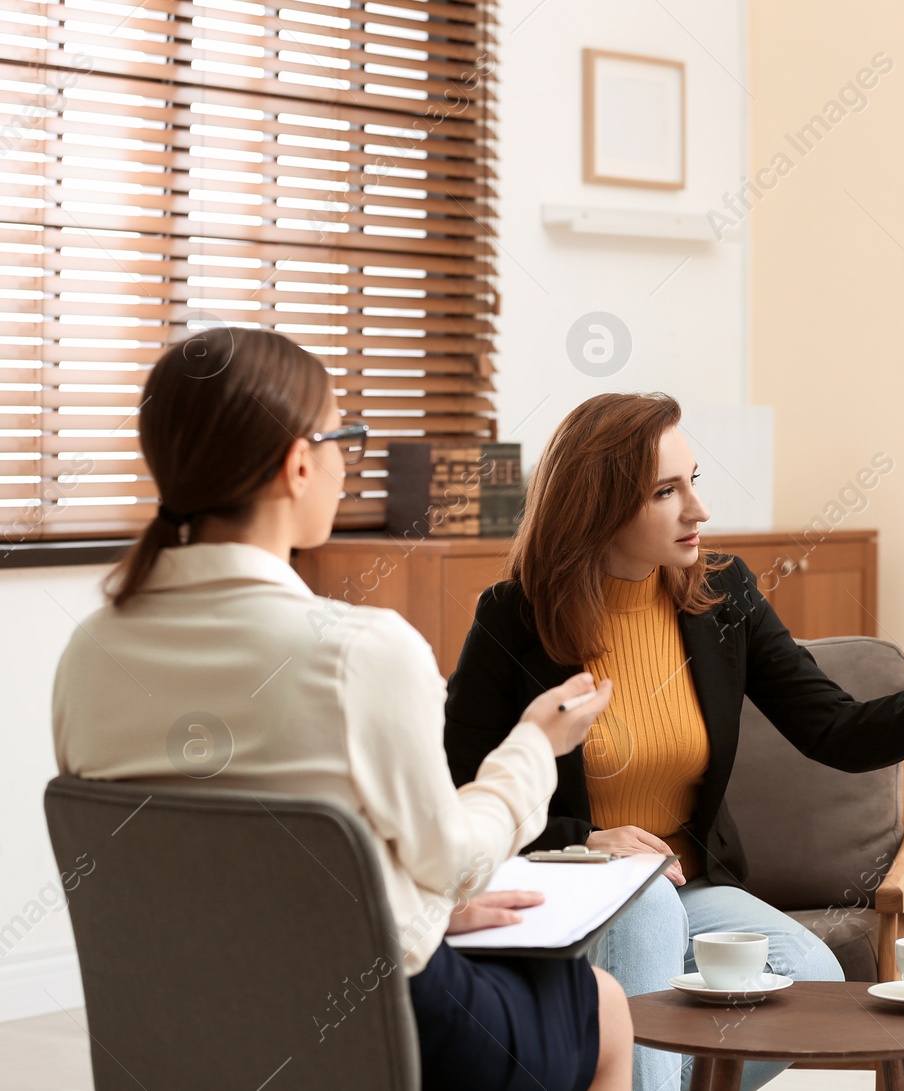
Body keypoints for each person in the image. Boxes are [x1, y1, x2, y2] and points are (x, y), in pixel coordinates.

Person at [52, 328, 632, 1091]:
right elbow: (454, 859)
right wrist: (533, 744)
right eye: (343, 436)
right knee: (607, 1008)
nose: (344, 461)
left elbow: (206, 861)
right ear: (298, 463)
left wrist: (394, 910)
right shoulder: (358, 651)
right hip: (376, 1027)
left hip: (182, 1025)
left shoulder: (90, 654)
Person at [443, 391, 904, 1091]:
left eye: (694, 482)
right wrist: (581, 840)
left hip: (692, 886)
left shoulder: (722, 595)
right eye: (665, 492)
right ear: (601, 506)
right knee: (641, 900)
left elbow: (838, 730)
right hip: (571, 892)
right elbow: (457, 792)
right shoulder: (512, 617)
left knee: (811, 978)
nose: (698, 510)